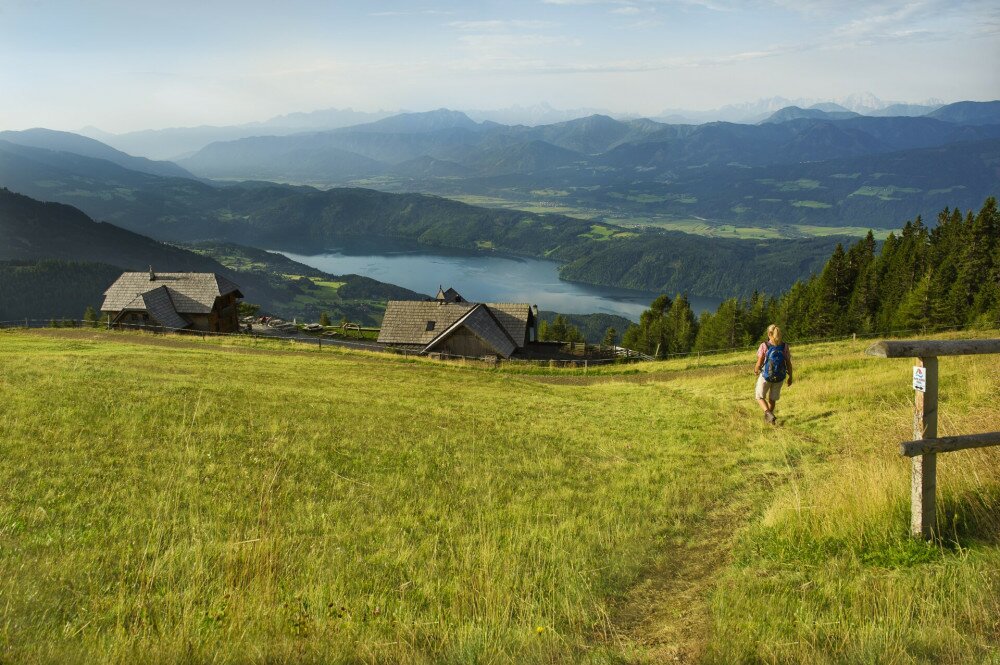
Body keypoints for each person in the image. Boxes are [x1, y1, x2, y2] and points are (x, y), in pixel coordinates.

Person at [753, 324, 793, 425]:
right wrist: (790, 376)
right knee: (772, 399)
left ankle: (768, 414)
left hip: (766, 376)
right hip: (780, 377)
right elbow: (788, 362)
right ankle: (770, 421)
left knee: (759, 396)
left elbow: (759, 362)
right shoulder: (784, 346)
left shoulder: (765, 345)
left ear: (769, 334)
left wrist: (756, 370)